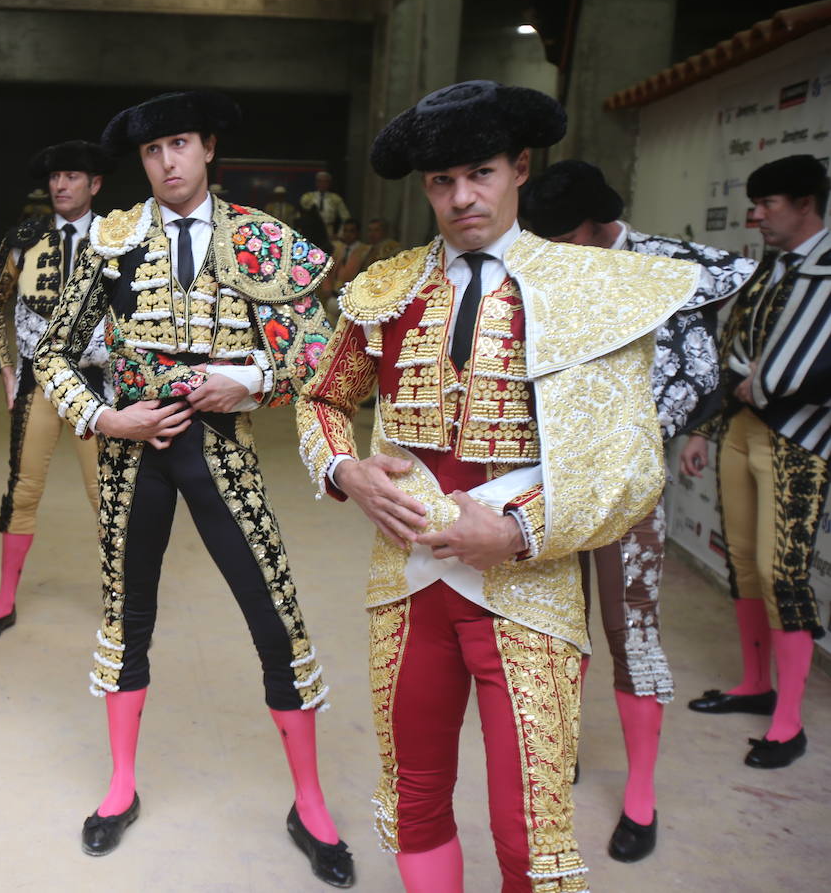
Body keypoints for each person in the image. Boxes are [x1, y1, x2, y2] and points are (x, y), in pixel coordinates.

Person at [294, 80, 698, 892]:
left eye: (479, 172)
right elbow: (322, 397)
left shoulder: (588, 288)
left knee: (530, 832)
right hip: (404, 581)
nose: (460, 197)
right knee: (416, 800)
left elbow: (628, 463)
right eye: (441, 181)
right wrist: (345, 469)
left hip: (530, 584)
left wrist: (519, 533)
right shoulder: (389, 286)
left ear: (519, 168)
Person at [36, 91, 354, 887]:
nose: (167, 162)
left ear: (208, 147)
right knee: (126, 612)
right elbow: (53, 354)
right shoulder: (113, 240)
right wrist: (108, 422)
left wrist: (243, 381)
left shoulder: (258, 238)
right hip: (131, 452)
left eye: (180, 144)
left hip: (220, 445)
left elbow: (321, 359)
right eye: (152, 152)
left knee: (272, 607)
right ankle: (120, 784)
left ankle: (309, 803)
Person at [520, 158, 754, 862]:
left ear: (599, 223)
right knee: (557, 629)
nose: (553, 253)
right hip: (548, 479)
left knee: (633, 635)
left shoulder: (663, 270)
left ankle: (641, 796)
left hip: (629, 485)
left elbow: (693, 381)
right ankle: (560, 760)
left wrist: (605, 435)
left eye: (566, 237)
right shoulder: (546, 261)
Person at [680, 153, 831, 770]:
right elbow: (734, 349)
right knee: (744, 560)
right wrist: (706, 424)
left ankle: (789, 721)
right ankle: (755, 684)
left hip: (802, 440)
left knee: (785, 574)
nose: (758, 215)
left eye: (769, 204)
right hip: (742, 429)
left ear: (805, 205)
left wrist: (756, 384)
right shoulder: (773, 268)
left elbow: (802, 371)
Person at [0, 140, 114, 642]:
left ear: (94, 184)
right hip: (38, 383)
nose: (60, 185)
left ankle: (120, 605)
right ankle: (4, 600)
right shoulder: (24, 237)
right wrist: (7, 371)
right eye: (55, 177)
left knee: (109, 496)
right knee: (23, 490)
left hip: (100, 386)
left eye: (72, 176)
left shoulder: (119, 238)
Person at [300, 170, 352, 242]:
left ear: (329, 183)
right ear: (316, 183)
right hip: (311, 232)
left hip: (329, 232)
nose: (322, 184)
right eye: (320, 181)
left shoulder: (336, 198)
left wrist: (340, 234)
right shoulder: (307, 197)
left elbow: (346, 217)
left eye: (325, 182)